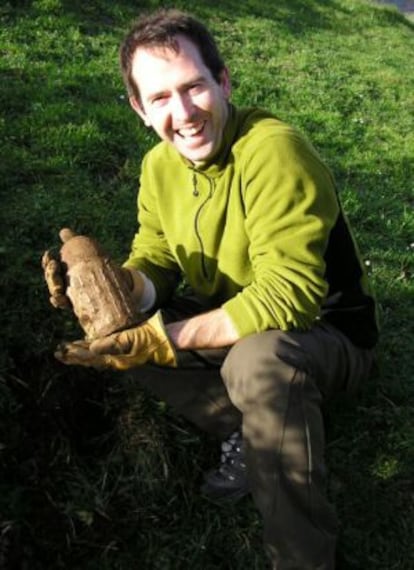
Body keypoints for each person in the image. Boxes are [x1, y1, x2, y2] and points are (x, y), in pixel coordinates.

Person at [42, 8, 379, 570]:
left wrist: (166, 338)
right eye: (160, 99)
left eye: (194, 87)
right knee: (122, 337)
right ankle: (252, 430)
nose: (184, 114)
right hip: (231, 310)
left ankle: (304, 558)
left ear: (223, 82)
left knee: (260, 359)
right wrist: (117, 290)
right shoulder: (158, 166)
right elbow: (158, 255)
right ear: (139, 109)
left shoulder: (273, 151)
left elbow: (288, 295)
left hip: (327, 332)